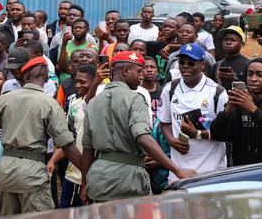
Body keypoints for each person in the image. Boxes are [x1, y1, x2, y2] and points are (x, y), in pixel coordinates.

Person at [0, 56, 82, 216]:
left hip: (5, 170)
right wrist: (87, 173)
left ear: (25, 76)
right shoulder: (50, 104)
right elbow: (67, 145)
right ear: (45, 78)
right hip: (32, 173)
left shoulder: (6, 98)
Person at [82, 52, 196, 202]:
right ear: (125, 71)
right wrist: (177, 170)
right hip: (128, 181)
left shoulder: (93, 102)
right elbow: (142, 137)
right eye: (139, 71)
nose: (142, 76)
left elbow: (87, 149)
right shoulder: (135, 99)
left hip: (99, 180)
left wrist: (84, 184)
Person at [159, 43, 228, 182]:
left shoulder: (217, 92)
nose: (185, 67)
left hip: (211, 170)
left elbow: (225, 133)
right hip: (179, 171)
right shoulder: (170, 89)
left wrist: (196, 134)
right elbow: (164, 122)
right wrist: (172, 140)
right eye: (182, 62)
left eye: (191, 63)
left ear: (202, 65)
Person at [209, 58, 262, 165]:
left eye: (259, 75)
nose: (253, 79)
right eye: (250, 74)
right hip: (242, 170)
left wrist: (253, 109)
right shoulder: (238, 102)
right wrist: (226, 112)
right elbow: (217, 135)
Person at [46, 63, 95, 208]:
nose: (78, 85)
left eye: (83, 82)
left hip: (95, 175)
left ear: (94, 82)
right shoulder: (74, 106)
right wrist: (53, 161)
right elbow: (69, 140)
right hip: (74, 174)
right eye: (76, 81)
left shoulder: (103, 104)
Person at [212, 26, 250, 91]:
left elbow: (254, 91)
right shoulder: (217, 65)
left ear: (242, 44)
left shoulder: (248, 65)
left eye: (233, 40)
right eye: (225, 39)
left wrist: (235, 79)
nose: (228, 42)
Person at [142, 56, 163, 123]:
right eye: (145, 67)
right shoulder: (136, 92)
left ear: (157, 71)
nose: (149, 70)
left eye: (152, 67)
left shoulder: (163, 91)